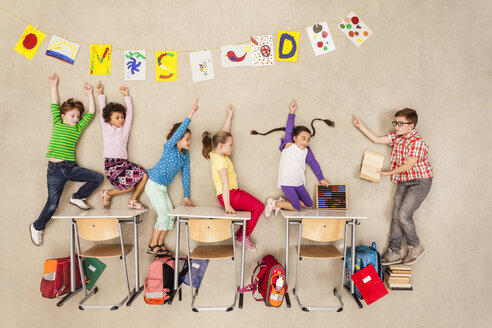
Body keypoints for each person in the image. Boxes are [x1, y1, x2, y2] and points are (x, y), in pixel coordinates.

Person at [30, 73, 103, 246]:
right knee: (52, 204)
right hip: (55, 170)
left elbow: (92, 112)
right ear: (63, 116)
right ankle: (37, 226)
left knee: (98, 177)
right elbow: (54, 104)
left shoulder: (78, 128)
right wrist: (53, 85)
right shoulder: (57, 122)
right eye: (73, 115)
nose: (76, 119)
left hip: (70, 167)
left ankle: (78, 197)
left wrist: (89, 94)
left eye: (78, 116)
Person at [352, 108, 433, 265]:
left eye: (401, 123)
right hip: (405, 180)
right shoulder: (397, 137)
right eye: (396, 122)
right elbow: (376, 139)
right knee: (396, 215)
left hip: (420, 181)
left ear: (411, 125)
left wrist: (388, 173)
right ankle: (394, 251)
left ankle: (415, 246)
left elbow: (409, 165)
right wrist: (360, 126)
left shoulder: (417, 142)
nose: (397, 126)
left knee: (404, 215)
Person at [250, 100, 334, 215]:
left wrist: (321, 178)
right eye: (303, 138)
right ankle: (274, 203)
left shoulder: (306, 151)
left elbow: (314, 164)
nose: (305, 142)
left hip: (298, 183)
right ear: (295, 138)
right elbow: (289, 128)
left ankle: (283, 202)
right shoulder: (289, 144)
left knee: (309, 204)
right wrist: (292, 112)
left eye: (308, 140)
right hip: (287, 182)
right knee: (297, 207)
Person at [202, 105, 264, 251]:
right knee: (259, 207)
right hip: (229, 194)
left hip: (229, 194)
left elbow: (225, 133)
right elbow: (224, 184)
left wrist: (229, 116)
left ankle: (242, 234)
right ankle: (243, 236)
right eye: (231, 145)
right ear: (222, 146)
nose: (232, 148)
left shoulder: (215, 152)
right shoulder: (221, 162)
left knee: (256, 207)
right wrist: (228, 205)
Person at [145, 99, 199, 255]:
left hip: (162, 188)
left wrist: (186, 196)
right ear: (178, 140)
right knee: (163, 214)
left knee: (171, 215)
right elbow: (180, 130)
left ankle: (160, 243)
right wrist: (191, 113)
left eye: (190, 139)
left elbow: (186, 175)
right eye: (187, 139)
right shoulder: (169, 147)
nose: (189, 142)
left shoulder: (185, 156)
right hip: (153, 185)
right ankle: (152, 245)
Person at [96, 81, 148, 209]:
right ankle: (108, 193)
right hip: (111, 165)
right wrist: (100, 94)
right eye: (117, 117)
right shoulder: (106, 127)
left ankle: (132, 200)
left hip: (123, 163)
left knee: (144, 174)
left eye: (122, 117)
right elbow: (102, 111)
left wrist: (127, 96)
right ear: (109, 119)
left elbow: (130, 114)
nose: (121, 119)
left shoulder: (125, 129)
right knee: (128, 187)